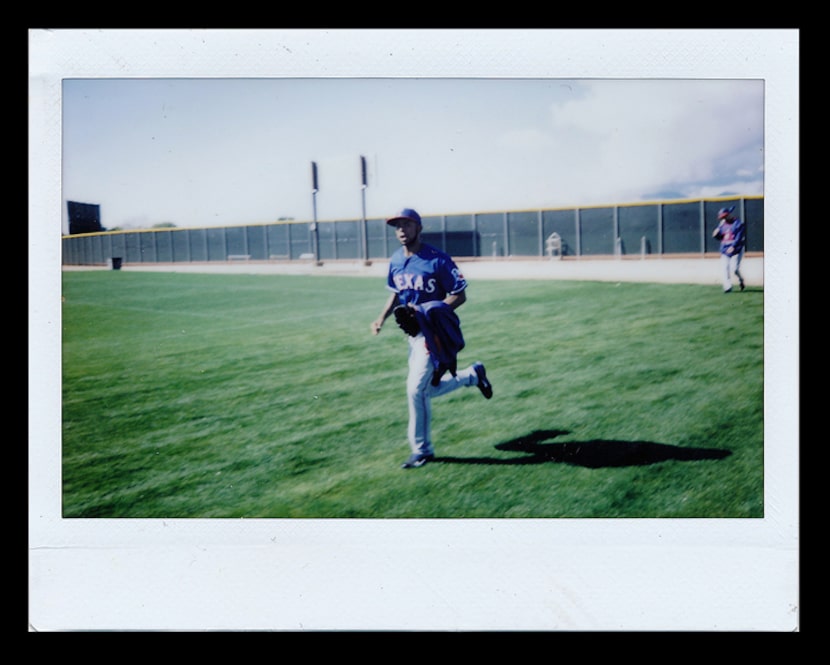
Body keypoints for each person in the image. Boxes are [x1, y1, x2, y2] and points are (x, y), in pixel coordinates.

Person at [371, 208, 493, 469]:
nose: (401, 230)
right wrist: (381, 317)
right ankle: (473, 375)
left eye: (407, 224)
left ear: (419, 228)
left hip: (434, 335)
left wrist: (429, 311)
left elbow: (459, 294)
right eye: (397, 226)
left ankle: (422, 450)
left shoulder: (437, 260)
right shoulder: (395, 260)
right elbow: (395, 293)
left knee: (416, 390)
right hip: (413, 336)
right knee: (428, 389)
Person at [712, 206, 746, 293]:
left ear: (728, 215)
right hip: (725, 249)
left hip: (736, 249)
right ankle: (727, 287)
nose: (723, 218)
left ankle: (741, 280)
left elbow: (739, 237)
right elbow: (721, 237)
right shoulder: (722, 224)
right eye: (722, 217)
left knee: (734, 269)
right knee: (724, 268)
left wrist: (733, 246)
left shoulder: (738, 223)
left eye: (724, 216)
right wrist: (716, 235)